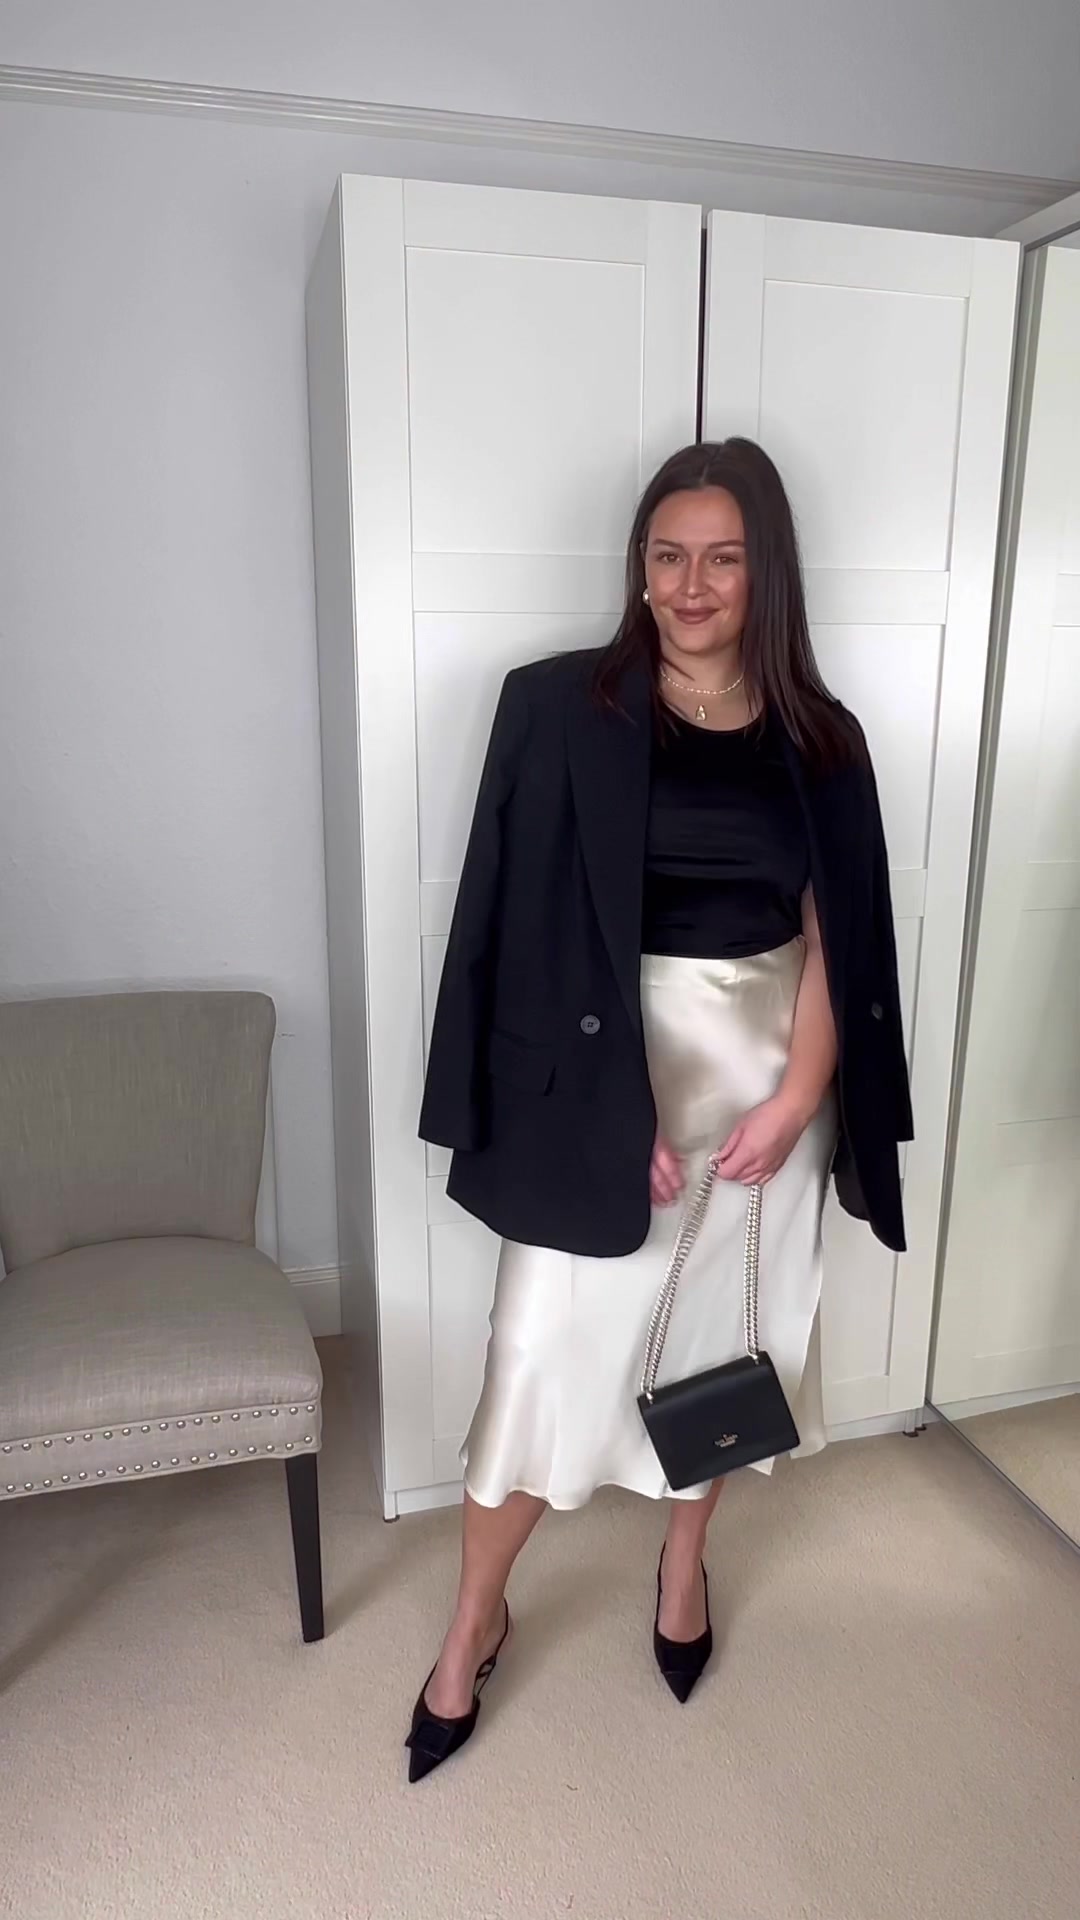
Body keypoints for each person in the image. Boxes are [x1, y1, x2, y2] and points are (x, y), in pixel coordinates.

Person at [406, 438, 912, 1782]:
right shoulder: (557, 705)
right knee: (537, 1362)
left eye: (723, 559)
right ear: (639, 566)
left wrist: (801, 1097)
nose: (691, 585)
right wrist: (592, 1110)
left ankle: (683, 1564)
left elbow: (838, 936)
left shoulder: (823, 739)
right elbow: (508, 927)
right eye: (669, 555)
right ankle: (474, 1619)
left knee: (722, 1348)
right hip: (606, 1088)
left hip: (766, 1090)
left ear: (765, 572)